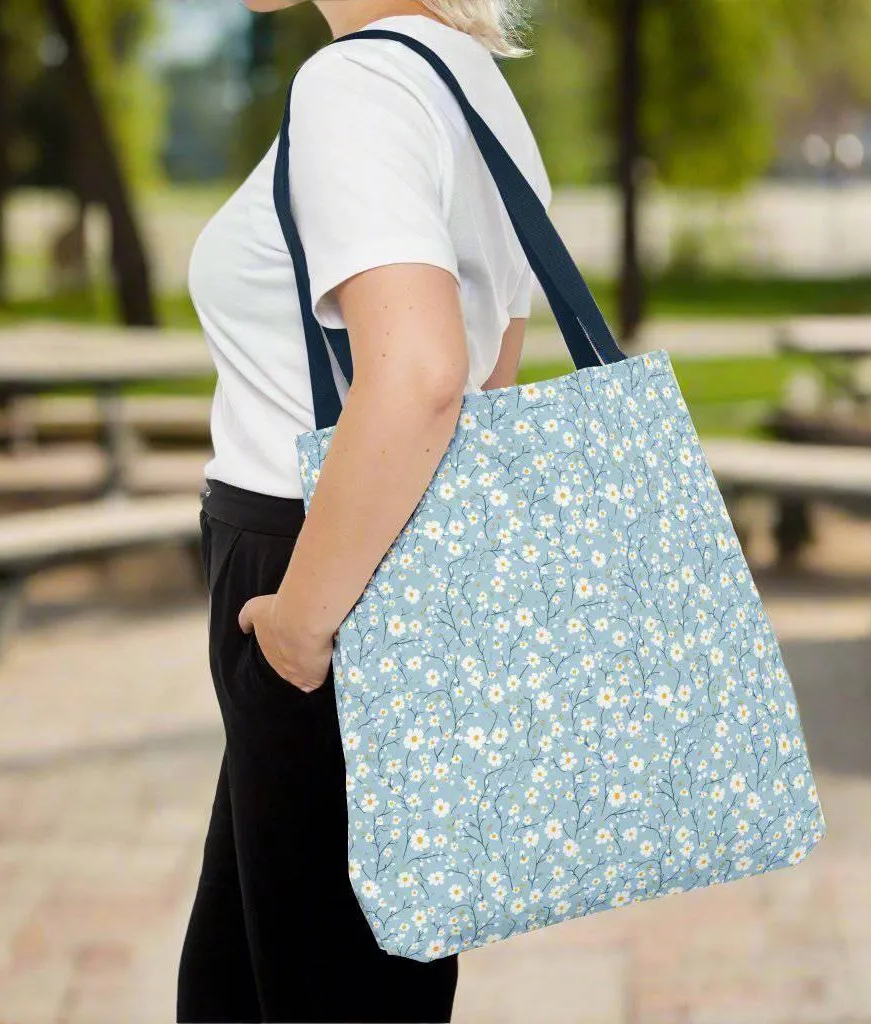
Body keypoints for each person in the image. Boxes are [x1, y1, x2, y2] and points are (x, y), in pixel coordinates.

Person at [176, 1, 550, 1020]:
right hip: (394, 564)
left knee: (304, 986)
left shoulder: (353, 87)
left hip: (316, 581)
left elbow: (426, 373)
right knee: (274, 981)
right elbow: (491, 382)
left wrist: (298, 627)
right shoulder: (471, 86)